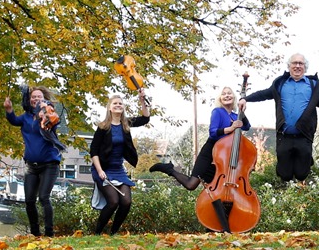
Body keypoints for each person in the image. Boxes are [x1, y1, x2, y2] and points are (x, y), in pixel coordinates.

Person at [150, 86, 247, 232]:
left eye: (230, 94)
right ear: (220, 98)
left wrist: (242, 112)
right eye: (224, 94)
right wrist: (230, 128)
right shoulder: (217, 112)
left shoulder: (235, 115)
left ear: (234, 98)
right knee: (191, 185)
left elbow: (247, 126)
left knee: (218, 192)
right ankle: (169, 169)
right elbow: (213, 133)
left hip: (224, 159)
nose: (227, 96)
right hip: (210, 153)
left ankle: (216, 228)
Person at [242, 53, 319, 183]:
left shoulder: (314, 85)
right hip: (284, 135)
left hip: (304, 135)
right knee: (284, 175)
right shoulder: (280, 83)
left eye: (300, 63)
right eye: (294, 63)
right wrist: (246, 99)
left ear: (305, 67)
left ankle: (306, 158)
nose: (297, 66)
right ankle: (294, 162)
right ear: (289, 66)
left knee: (301, 174)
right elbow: (264, 94)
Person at [4, 86, 66, 237]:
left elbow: (54, 122)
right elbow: (13, 120)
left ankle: (49, 233)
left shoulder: (49, 114)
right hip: (31, 166)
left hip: (49, 164)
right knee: (29, 200)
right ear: (29, 100)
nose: (36, 99)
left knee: (44, 197)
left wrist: (45, 112)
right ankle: (35, 233)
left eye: (39, 97)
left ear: (44, 99)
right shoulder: (25, 117)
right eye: (33, 97)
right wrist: (9, 109)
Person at [88, 92, 150, 234]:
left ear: (123, 107)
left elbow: (145, 119)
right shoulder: (103, 127)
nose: (118, 105)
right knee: (113, 202)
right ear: (110, 107)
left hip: (118, 170)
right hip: (102, 169)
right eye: (115, 103)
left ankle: (113, 233)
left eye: (120, 103)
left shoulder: (126, 124)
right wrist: (99, 171)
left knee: (126, 202)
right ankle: (97, 233)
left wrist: (142, 101)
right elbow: (94, 151)